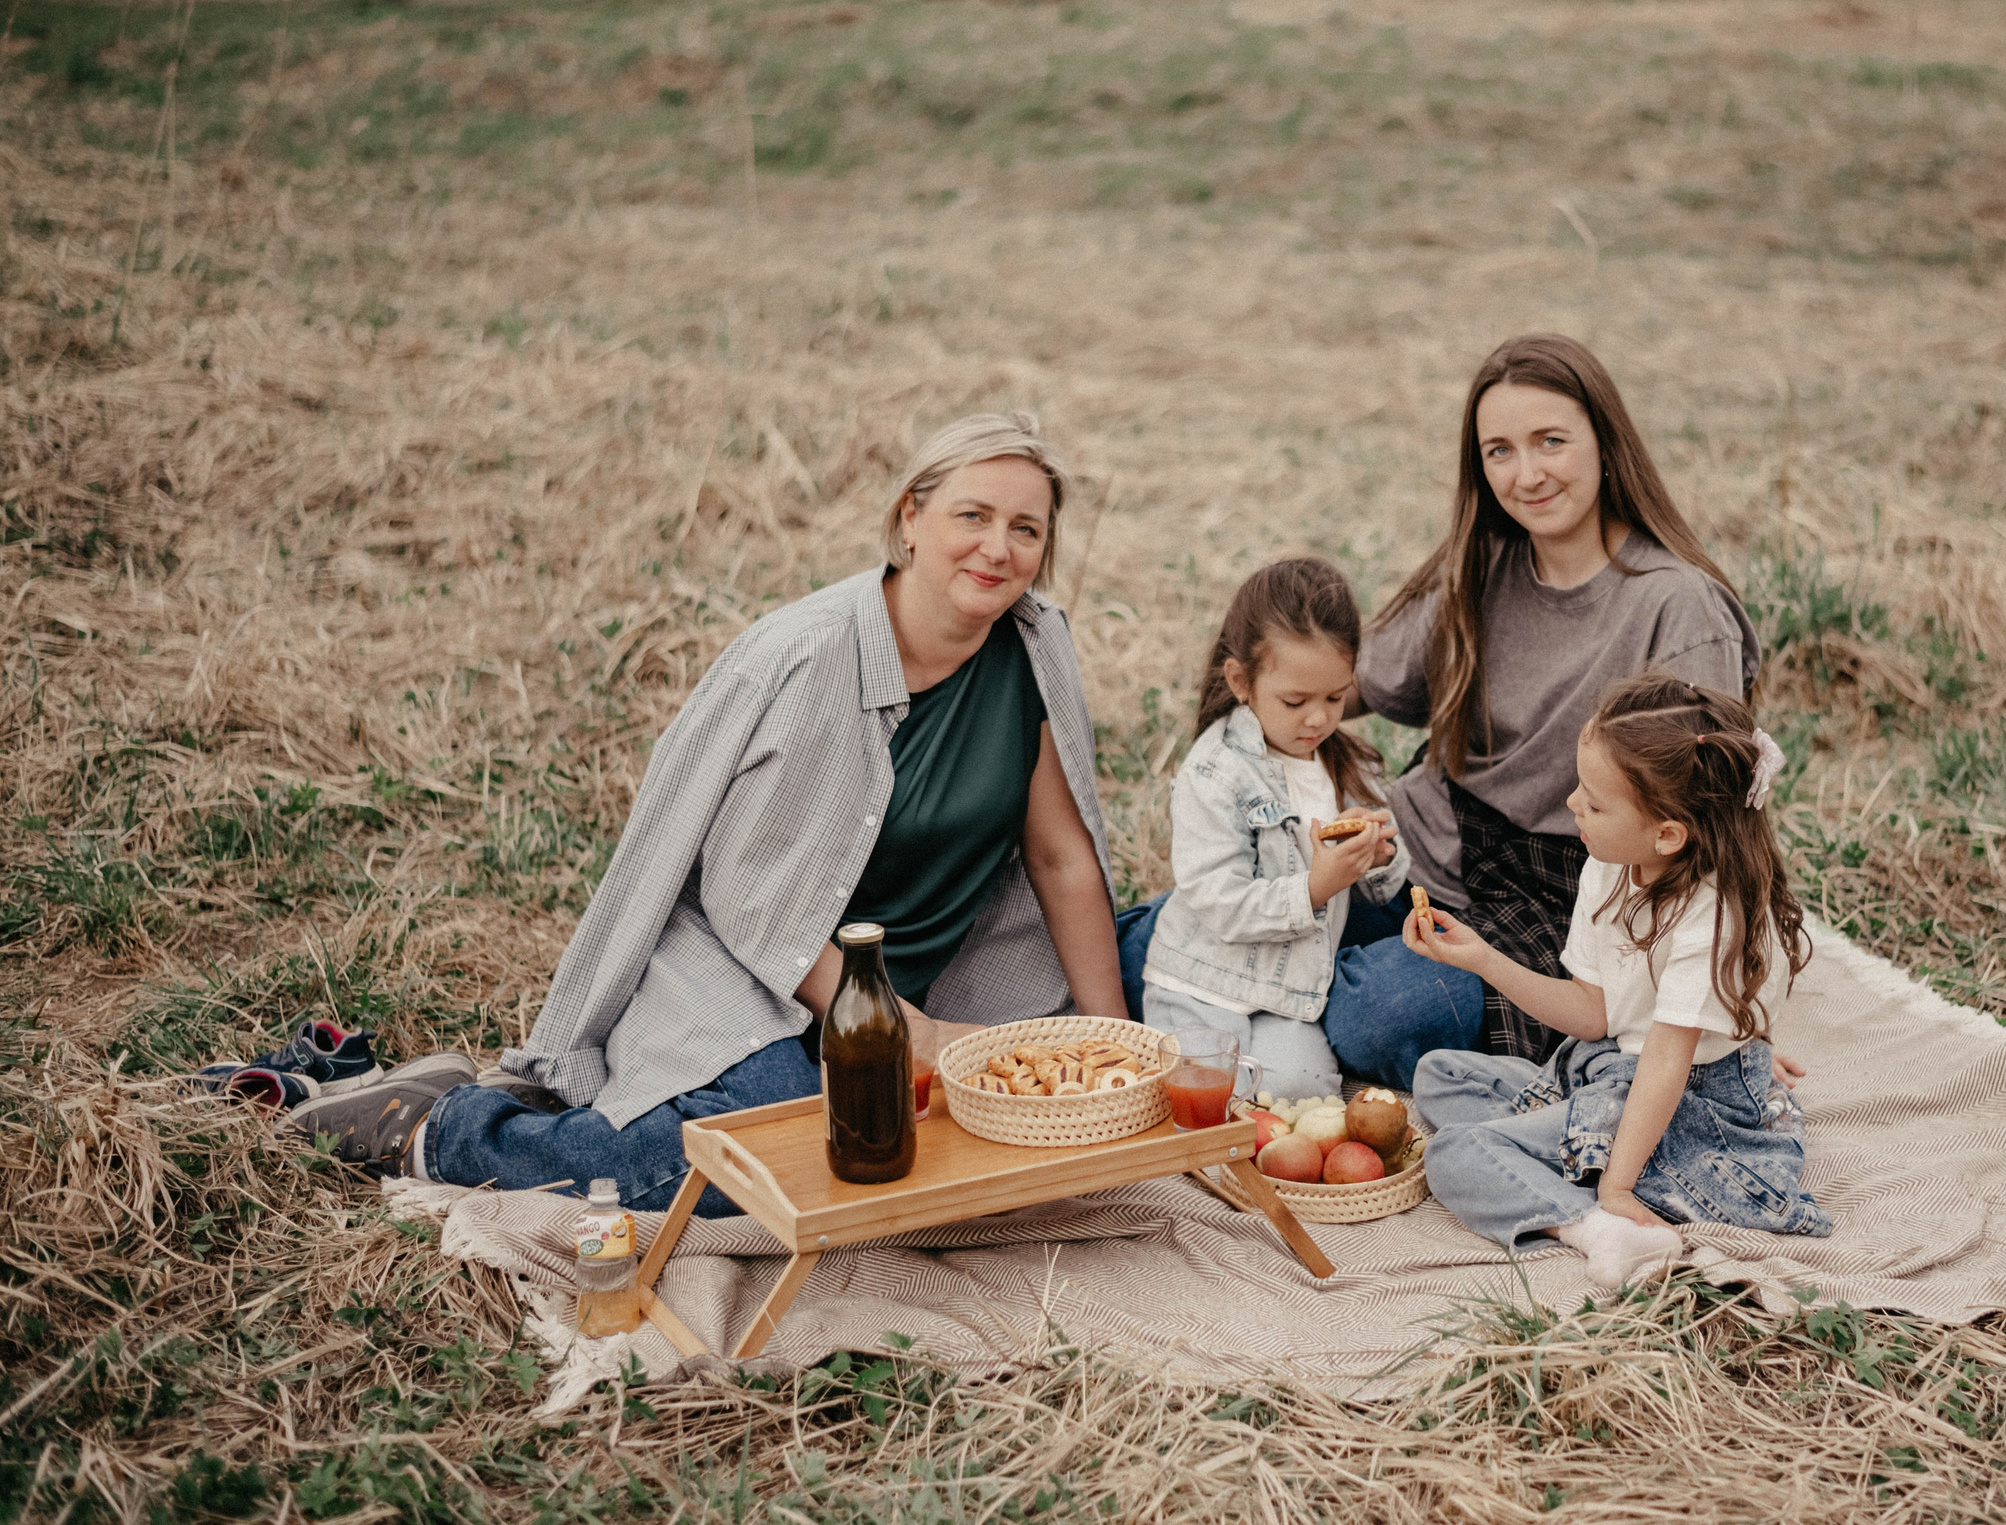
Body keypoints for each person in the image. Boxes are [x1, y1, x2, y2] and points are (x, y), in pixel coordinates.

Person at [291, 412, 1127, 1213]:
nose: (997, 547)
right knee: (761, 1156)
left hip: (935, 973)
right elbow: (752, 905)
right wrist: (907, 1032)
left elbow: (1060, 857)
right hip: (750, 967)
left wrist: (1117, 1051)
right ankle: (443, 1129)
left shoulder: (1032, 641)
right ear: (910, 518)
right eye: (971, 515)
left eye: (1026, 527)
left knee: (1145, 961)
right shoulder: (811, 662)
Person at [1332, 334, 1761, 1089]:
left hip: (1570, 898)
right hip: (1430, 845)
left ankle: (1298, 996)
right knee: (1163, 943)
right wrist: (1247, 707)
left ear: (1605, 440)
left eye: (1550, 441)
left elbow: (1712, 835)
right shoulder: (1483, 564)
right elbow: (1348, 680)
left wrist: (1710, 1016)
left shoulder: (1679, 608)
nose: (1526, 474)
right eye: (1498, 450)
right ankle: (1285, 985)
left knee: (1381, 1013)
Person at [1405, 674, 1829, 1291]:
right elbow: (1592, 1014)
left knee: (1453, 1155)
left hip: (1684, 1095)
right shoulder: (1611, 867)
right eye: (1580, 787)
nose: (1573, 804)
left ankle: (1599, 1225)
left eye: (1595, 802)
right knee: (1439, 1074)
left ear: (1668, 833)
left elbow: (1665, 1063)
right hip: (1610, 1065)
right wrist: (1484, 960)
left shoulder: (1709, 917)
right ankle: (1566, 1149)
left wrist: (1618, 1186)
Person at [1139, 559, 1408, 1102]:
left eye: (1335, 698)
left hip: (1287, 995)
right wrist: (1315, 888)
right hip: (1201, 985)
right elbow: (1219, 901)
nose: (1318, 720)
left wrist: (1381, 856)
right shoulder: (1214, 773)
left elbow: (1382, 882)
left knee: (1305, 1095)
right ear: (1241, 681)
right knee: (1204, 1099)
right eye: (1296, 702)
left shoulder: (1345, 766)